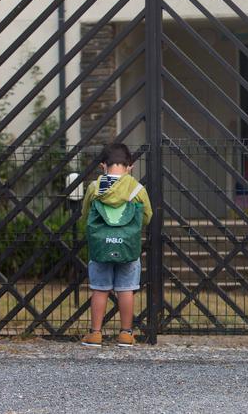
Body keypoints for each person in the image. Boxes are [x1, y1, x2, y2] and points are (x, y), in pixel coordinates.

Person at [80, 143, 152, 347]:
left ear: (103, 165)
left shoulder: (95, 188)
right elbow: (147, 216)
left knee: (100, 289)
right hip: (128, 246)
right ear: (130, 166)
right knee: (126, 289)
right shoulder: (137, 189)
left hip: (100, 246)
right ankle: (126, 334)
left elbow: (85, 215)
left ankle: (95, 334)